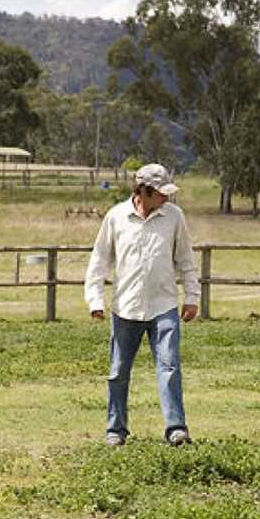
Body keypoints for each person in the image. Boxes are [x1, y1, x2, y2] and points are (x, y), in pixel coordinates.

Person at [84, 163, 200, 447]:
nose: (166, 198)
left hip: (164, 306)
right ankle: (116, 429)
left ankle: (176, 428)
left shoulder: (174, 217)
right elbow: (99, 261)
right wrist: (95, 299)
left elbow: (185, 259)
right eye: (161, 193)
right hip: (125, 308)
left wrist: (192, 297)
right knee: (118, 371)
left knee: (170, 366)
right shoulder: (116, 217)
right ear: (143, 191)